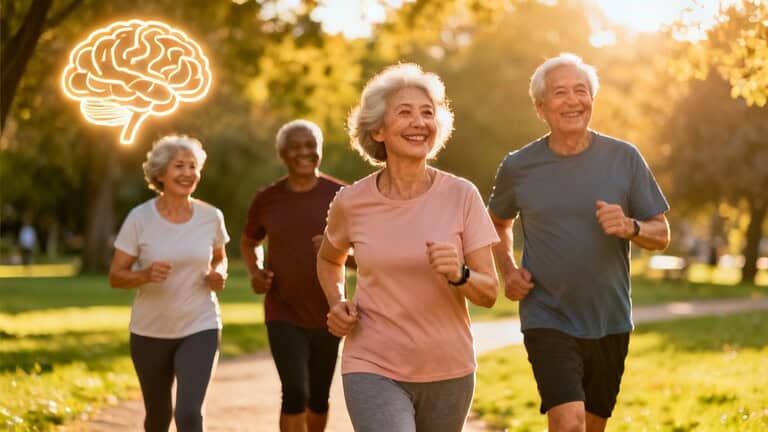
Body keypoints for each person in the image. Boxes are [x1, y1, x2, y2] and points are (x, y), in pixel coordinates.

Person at [487, 53, 670, 432]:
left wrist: (631, 227)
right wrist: (508, 270)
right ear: (540, 107)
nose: (573, 101)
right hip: (547, 315)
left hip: (610, 319)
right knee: (569, 423)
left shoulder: (624, 157)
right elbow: (497, 223)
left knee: (591, 425)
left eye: (581, 91)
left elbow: (662, 233)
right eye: (560, 93)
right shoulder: (518, 166)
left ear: (592, 99)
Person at [316, 63, 500, 432]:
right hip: (372, 365)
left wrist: (459, 274)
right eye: (405, 112)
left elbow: (490, 292)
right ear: (377, 130)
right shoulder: (351, 202)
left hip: (449, 369)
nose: (420, 122)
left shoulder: (462, 195)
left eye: (428, 113)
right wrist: (337, 301)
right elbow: (328, 259)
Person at [108, 135, 229, 432]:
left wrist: (218, 273)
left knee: (188, 414)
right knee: (158, 418)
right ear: (160, 173)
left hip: (200, 324)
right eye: (179, 166)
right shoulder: (139, 218)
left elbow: (219, 257)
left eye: (193, 166)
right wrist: (144, 274)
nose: (188, 173)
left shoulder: (210, 216)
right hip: (150, 330)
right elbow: (116, 275)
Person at [240, 119, 347, 432]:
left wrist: (338, 251)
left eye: (311, 145)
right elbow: (249, 240)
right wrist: (256, 271)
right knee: (295, 392)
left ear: (320, 151)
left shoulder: (341, 195)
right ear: (282, 154)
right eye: (295, 147)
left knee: (318, 397)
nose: (304, 152)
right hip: (282, 309)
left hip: (330, 309)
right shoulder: (267, 199)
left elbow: (365, 254)